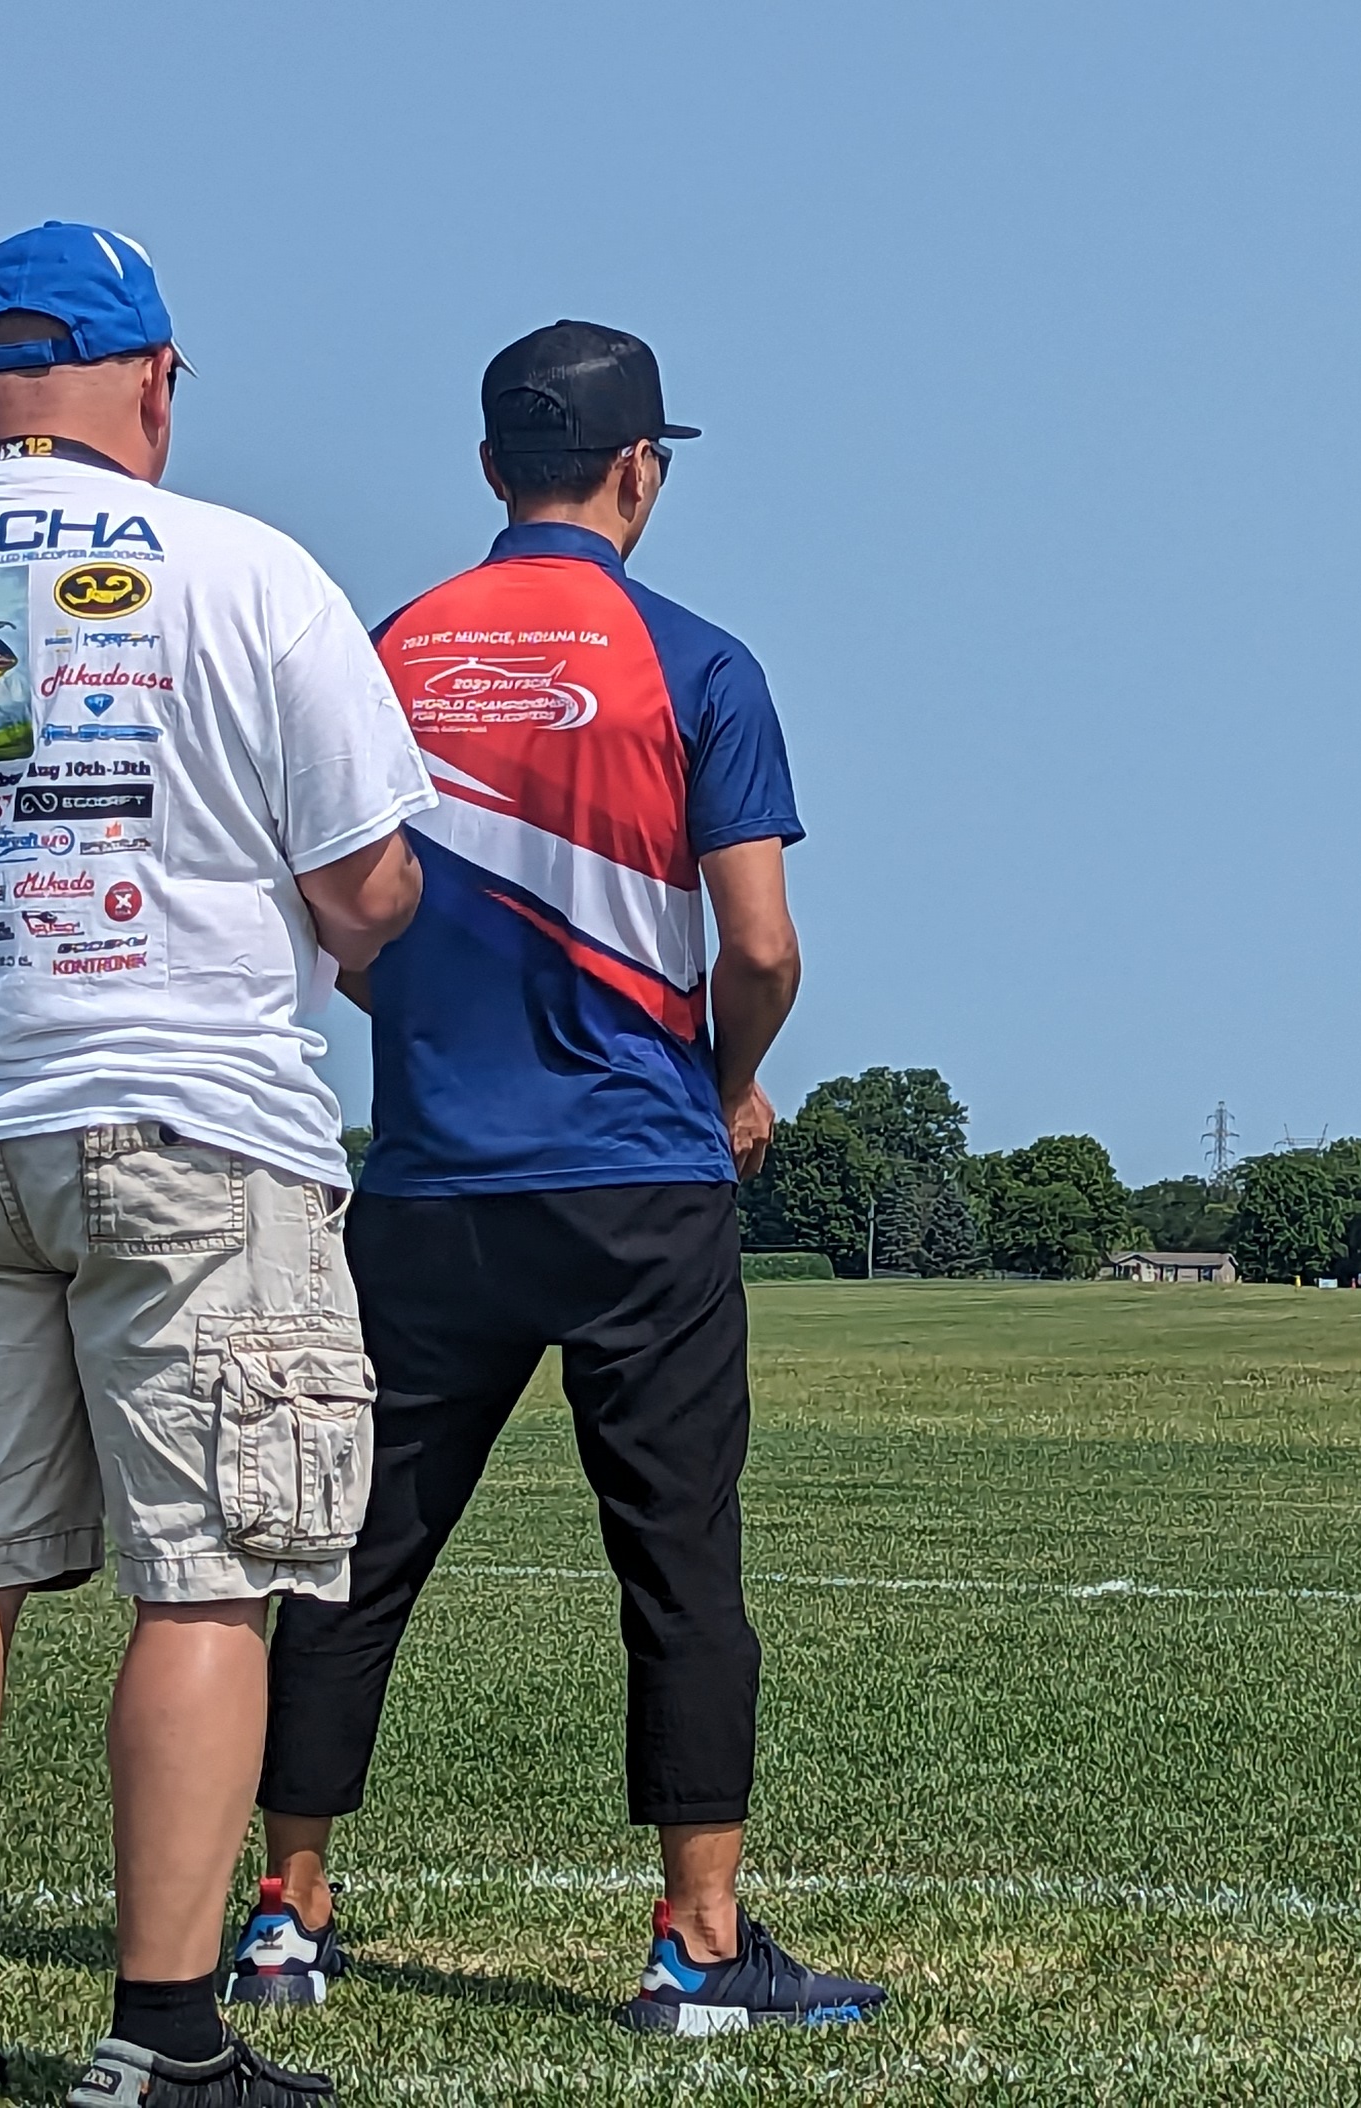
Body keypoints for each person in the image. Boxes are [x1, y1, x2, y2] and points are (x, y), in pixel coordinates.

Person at [0, 222, 434, 2108]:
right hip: (195, 1124)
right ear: (158, 379)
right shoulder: (246, 569)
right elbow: (369, 881)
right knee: (206, 1578)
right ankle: (162, 2039)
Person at [230, 320, 880, 2033]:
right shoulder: (699, 663)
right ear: (638, 468)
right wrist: (724, 1085)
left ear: (490, 466)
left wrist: (439, 1030)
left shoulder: (386, 651)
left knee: (353, 1552)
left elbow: (334, 919)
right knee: (679, 1566)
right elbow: (761, 945)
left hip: (430, 1183)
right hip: (638, 1182)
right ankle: (697, 1942)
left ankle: (286, 1916)